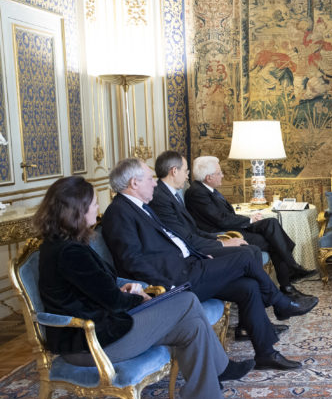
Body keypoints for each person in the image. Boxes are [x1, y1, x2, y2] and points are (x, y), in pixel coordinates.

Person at [34, 176, 254, 399]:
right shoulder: (70, 252)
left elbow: (90, 291)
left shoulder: (64, 244)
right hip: (91, 342)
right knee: (186, 301)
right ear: (76, 211)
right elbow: (112, 302)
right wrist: (141, 298)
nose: (97, 208)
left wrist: (123, 288)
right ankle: (220, 370)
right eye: (93, 204)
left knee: (192, 326)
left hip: (101, 329)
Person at [101, 158, 317, 370]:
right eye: (150, 179)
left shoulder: (141, 207)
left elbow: (174, 240)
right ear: (134, 183)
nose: (155, 183)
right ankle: (280, 302)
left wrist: (200, 255)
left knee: (248, 287)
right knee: (246, 256)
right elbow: (131, 262)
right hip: (177, 278)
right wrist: (172, 279)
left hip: (190, 265)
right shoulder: (119, 213)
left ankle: (266, 354)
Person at [184, 156, 317, 294]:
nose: (222, 175)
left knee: (271, 222)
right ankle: (288, 283)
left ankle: (292, 268)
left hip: (230, 225)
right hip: (224, 233)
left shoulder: (207, 189)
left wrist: (249, 219)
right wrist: (249, 221)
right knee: (274, 241)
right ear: (208, 177)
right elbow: (220, 220)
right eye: (219, 173)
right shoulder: (197, 193)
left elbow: (225, 216)